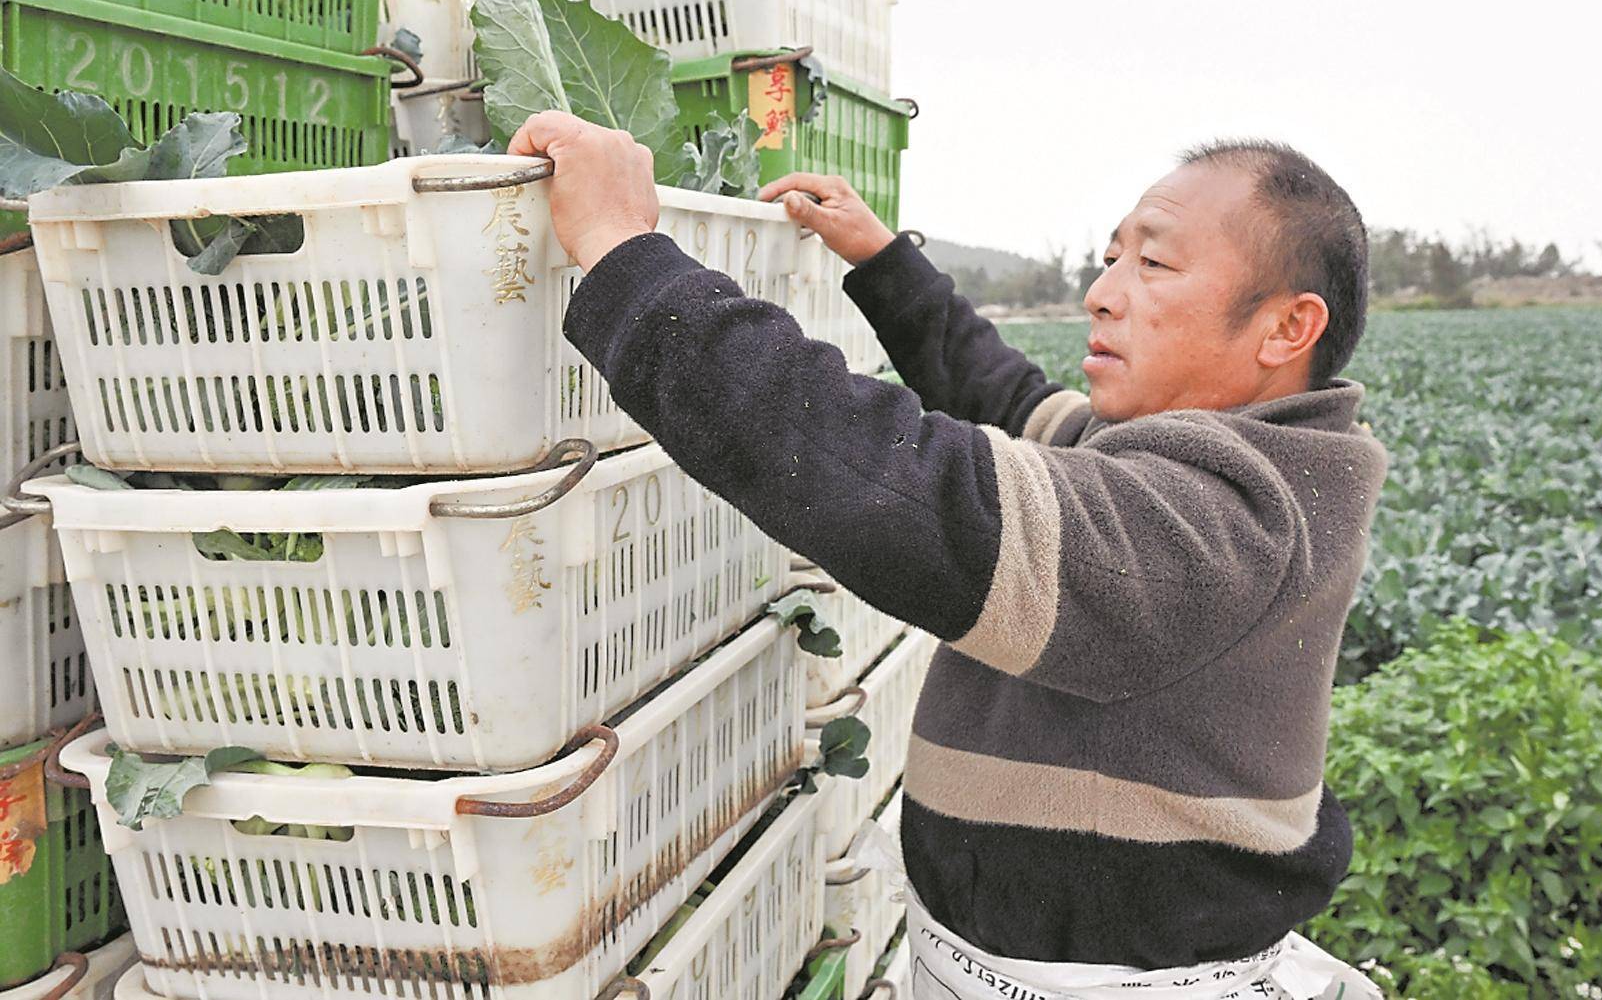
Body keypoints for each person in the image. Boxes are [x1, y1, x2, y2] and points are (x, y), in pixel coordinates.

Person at [509, 112, 1388, 1000]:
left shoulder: (1226, 525)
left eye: (1152, 264)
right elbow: (1008, 400)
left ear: (1285, 329)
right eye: (1111, 255)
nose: (1102, 290)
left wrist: (626, 257)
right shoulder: (1160, 456)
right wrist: (886, 267)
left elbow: (904, 490)